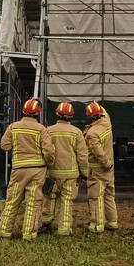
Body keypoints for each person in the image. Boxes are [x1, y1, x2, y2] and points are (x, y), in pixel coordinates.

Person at [0, 97, 55, 240]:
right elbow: (48, 152)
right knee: (33, 202)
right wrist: (49, 163)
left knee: (12, 200)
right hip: (37, 170)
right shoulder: (41, 129)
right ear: (38, 113)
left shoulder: (13, 127)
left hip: (19, 169)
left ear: (23, 111)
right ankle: (29, 234)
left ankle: (4, 231)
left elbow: (4, 145)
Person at [40, 101, 89, 236]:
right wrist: (85, 174)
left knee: (49, 199)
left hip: (52, 174)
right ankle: (64, 229)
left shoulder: (48, 131)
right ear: (71, 116)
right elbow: (82, 156)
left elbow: (44, 151)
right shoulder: (77, 132)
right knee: (67, 201)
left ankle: (46, 225)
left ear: (57, 114)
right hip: (70, 175)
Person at [83, 101, 118, 233]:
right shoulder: (107, 123)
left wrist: (105, 164)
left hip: (98, 170)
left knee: (96, 197)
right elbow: (105, 113)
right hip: (110, 169)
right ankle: (112, 222)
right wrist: (94, 104)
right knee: (109, 195)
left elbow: (99, 153)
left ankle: (97, 225)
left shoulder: (92, 133)